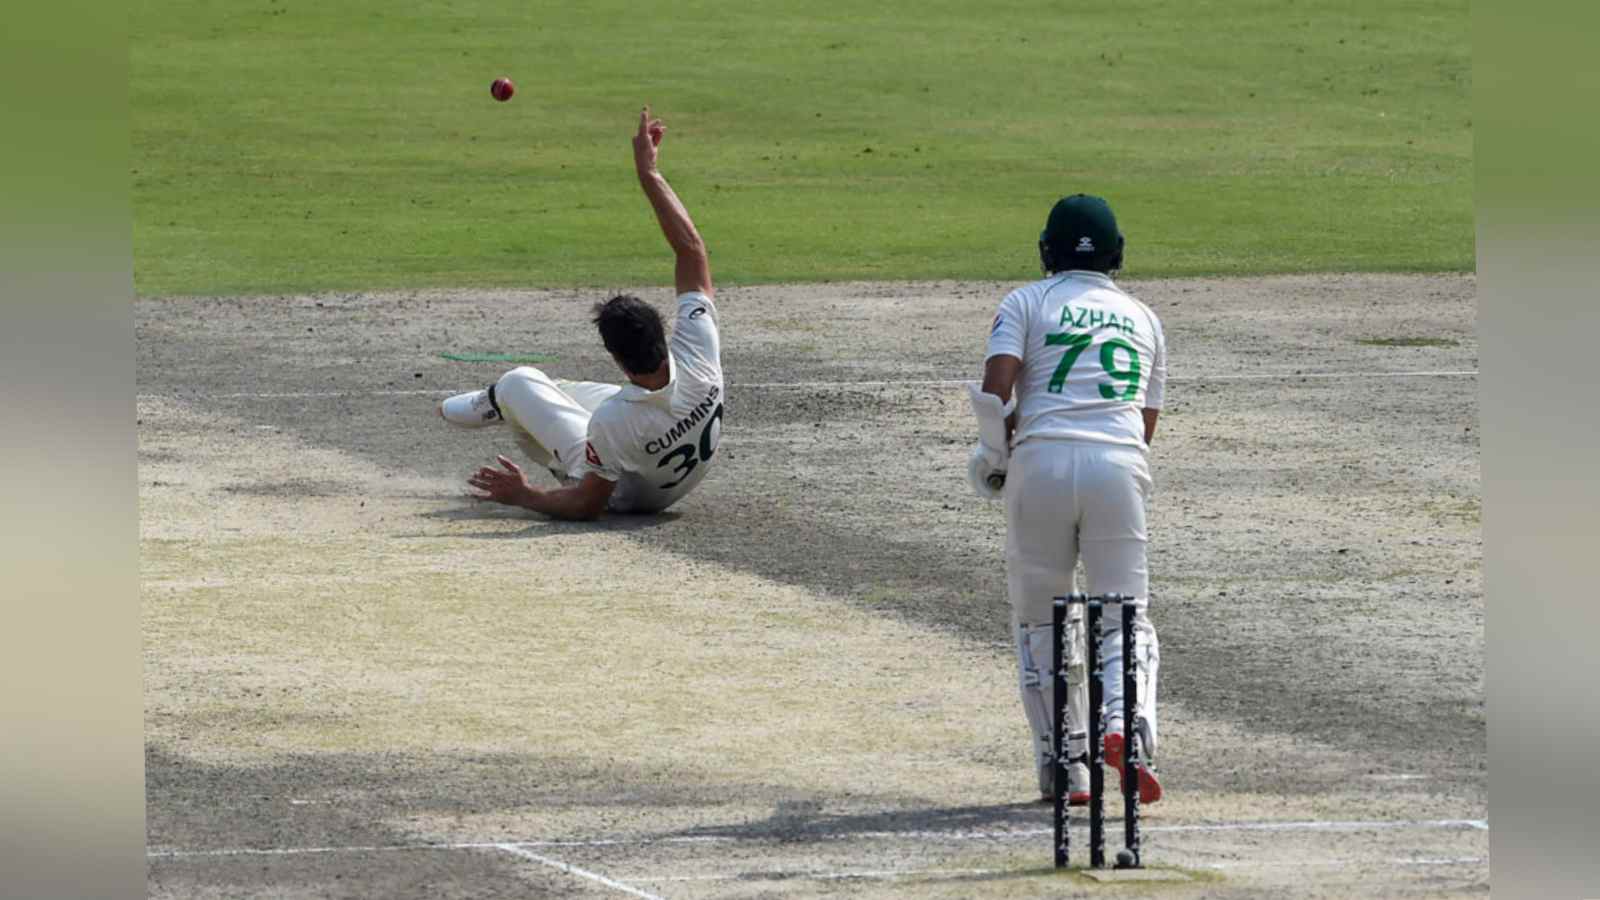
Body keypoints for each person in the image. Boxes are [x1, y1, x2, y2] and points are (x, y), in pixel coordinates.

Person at [968, 194, 1165, 805]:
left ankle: (1066, 763)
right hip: (1118, 468)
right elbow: (1144, 422)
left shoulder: (1026, 301)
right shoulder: (1145, 318)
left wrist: (994, 458)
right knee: (1123, 615)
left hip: (1041, 467)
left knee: (1041, 620)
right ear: (1117, 253)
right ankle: (1124, 727)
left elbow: (995, 386)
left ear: (1047, 250)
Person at [438, 107, 723, 520]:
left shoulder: (613, 422)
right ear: (664, 334)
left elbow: (589, 503)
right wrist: (651, 175)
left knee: (520, 381)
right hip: (679, 458)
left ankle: (502, 397)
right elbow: (692, 250)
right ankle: (508, 401)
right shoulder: (699, 352)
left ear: (617, 359)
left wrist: (524, 494)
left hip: (630, 496)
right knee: (562, 392)